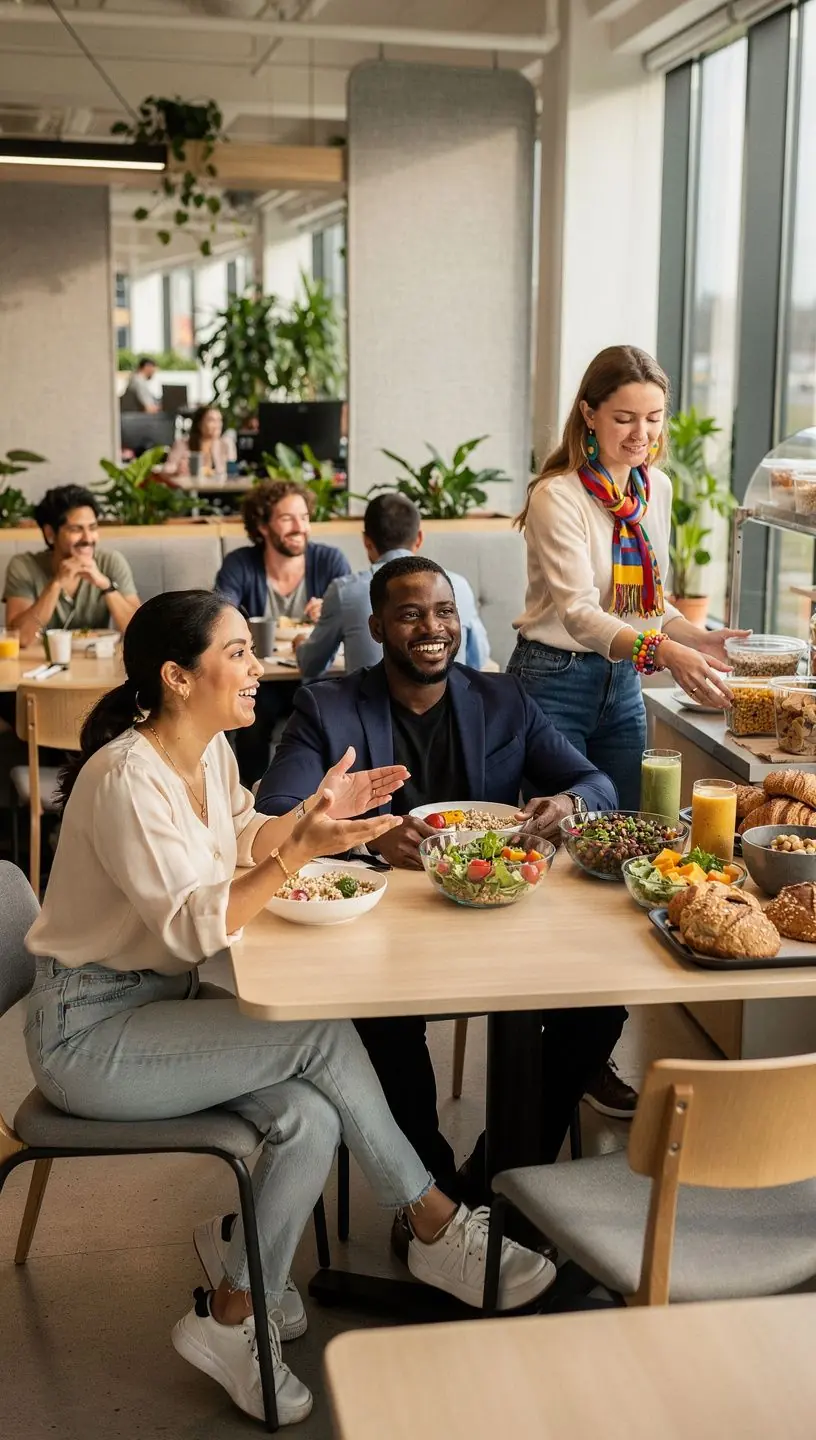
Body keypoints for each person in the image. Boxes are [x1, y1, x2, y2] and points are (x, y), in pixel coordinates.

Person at [23, 590, 553, 1426]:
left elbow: (244, 840)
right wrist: (298, 850)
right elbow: (195, 923)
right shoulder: (126, 777)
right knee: (316, 1036)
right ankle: (432, 1222)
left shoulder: (208, 756)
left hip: (161, 1008)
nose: (256, 666)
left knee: (312, 1115)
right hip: (89, 1034)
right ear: (175, 676)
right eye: (236, 652)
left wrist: (314, 815)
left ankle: (236, 1307)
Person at [256, 555, 626, 1216]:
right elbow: (277, 809)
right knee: (384, 1024)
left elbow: (596, 783)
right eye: (410, 614)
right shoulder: (328, 705)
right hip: (381, 934)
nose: (432, 627)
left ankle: (493, 1178)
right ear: (376, 626)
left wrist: (565, 805)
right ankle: (433, 1197)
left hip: (492, 918)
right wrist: (366, 829)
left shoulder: (503, 698)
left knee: (599, 1008)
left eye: (444, 611)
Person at [507, 344, 746, 1120]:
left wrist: (699, 638)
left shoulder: (656, 489)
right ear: (588, 415)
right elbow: (578, 612)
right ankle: (535, 1044)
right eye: (624, 419)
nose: (642, 435)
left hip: (619, 687)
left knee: (629, 860)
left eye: (653, 419)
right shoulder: (558, 496)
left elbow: (650, 604)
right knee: (550, 861)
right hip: (554, 682)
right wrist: (664, 649)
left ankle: (585, 1049)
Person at [214, 480, 351, 786]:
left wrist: (329, 613)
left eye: (304, 517)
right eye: (287, 518)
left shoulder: (330, 561)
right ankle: (250, 800)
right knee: (251, 713)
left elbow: (352, 617)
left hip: (319, 672)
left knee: (331, 710)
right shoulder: (241, 564)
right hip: (262, 676)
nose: (299, 527)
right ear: (263, 525)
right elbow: (220, 613)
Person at [294, 493, 491, 680]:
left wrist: (301, 644)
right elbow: (477, 660)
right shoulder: (458, 585)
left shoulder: (345, 591)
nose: (431, 627)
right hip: (451, 710)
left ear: (367, 542)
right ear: (419, 538)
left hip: (370, 712)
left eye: (445, 611)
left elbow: (311, 665)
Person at [3, 485, 141, 648]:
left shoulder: (111, 562)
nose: (88, 538)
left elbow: (140, 633)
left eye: (93, 527)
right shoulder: (23, 566)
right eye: (76, 529)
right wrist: (56, 584)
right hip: (39, 665)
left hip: (97, 662)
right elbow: (21, 638)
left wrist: (106, 585)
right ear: (50, 534)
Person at [164, 404, 237, 480]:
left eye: (219, 420)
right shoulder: (182, 443)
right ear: (199, 423)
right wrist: (177, 469)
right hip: (190, 488)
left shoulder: (226, 444)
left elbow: (231, 472)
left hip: (219, 489)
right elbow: (167, 468)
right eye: (211, 420)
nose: (217, 425)